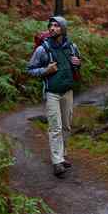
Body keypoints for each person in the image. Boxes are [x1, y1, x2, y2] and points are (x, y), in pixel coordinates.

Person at [27, 16, 81, 177]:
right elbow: (30, 69)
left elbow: (78, 64)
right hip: (52, 93)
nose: (52, 28)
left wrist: (78, 63)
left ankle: (62, 156)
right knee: (55, 127)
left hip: (68, 92)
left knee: (66, 126)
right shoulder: (42, 49)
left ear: (63, 29)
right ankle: (57, 162)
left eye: (56, 26)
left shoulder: (72, 47)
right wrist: (45, 71)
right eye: (50, 26)